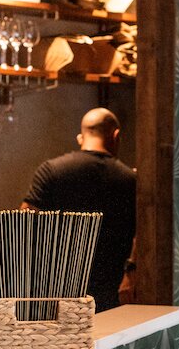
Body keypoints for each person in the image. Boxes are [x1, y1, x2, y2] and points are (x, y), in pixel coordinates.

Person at [23, 108, 136, 312]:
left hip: (57, 290)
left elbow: (24, 223)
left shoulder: (51, 171)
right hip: (111, 288)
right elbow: (141, 234)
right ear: (116, 136)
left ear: (80, 138)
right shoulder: (131, 179)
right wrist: (130, 272)